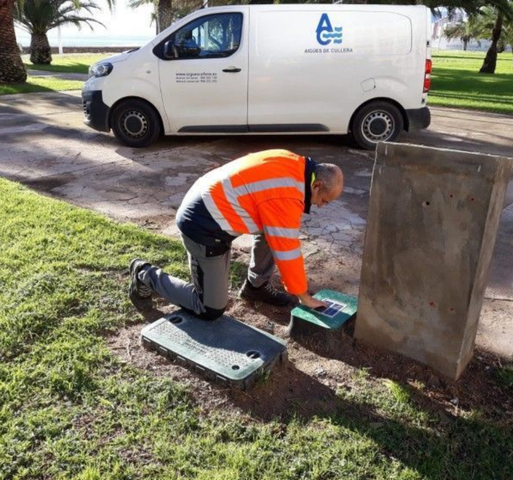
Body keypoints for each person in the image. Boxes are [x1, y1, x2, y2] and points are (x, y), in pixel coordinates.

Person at [129, 149, 344, 320]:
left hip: (208, 198)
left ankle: (256, 287)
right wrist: (304, 296)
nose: (321, 206)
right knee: (210, 308)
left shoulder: (294, 164)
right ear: (317, 185)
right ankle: (144, 275)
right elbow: (288, 251)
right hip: (202, 224)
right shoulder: (287, 195)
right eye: (324, 201)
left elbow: (279, 233)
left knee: (274, 231)